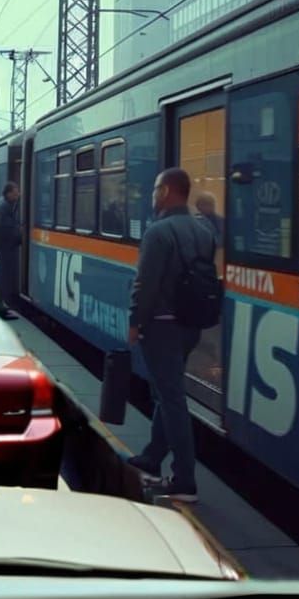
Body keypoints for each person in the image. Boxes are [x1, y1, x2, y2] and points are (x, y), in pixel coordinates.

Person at [125, 167, 218, 503]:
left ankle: (183, 480)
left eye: (154, 189)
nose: (152, 196)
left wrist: (135, 322)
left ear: (165, 191)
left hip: (161, 325)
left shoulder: (158, 232)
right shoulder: (204, 230)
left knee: (173, 399)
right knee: (169, 393)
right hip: (190, 326)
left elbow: (145, 284)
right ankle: (152, 456)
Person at [0, 181, 22, 320]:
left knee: (4, 275)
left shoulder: (4, 204)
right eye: (16, 192)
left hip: (3, 246)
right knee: (4, 276)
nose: (18, 195)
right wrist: (19, 237)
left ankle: (0, 304)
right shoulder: (3, 207)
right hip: (4, 247)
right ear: (9, 193)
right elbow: (7, 229)